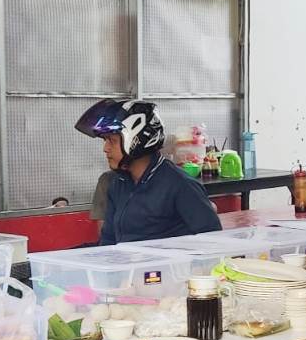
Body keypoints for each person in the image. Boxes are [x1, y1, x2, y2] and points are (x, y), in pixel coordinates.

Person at [74, 99, 221, 245]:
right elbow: (109, 241)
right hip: (127, 264)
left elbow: (212, 242)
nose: (105, 148)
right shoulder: (118, 183)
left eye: (111, 141)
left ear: (136, 141)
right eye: (105, 140)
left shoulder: (180, 186)